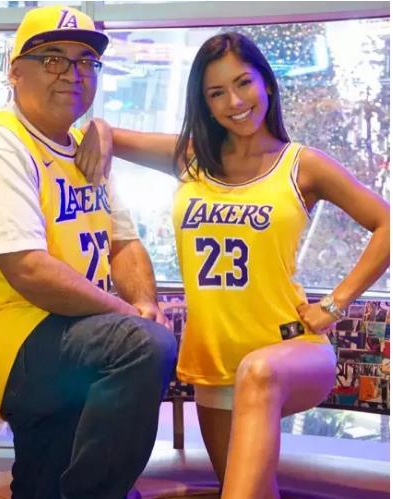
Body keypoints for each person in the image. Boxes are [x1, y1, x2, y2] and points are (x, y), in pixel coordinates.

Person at [76, 32, 390, 499]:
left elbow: (386, 223)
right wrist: (100, 128)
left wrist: (335, 304)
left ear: (267, 84)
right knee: (246, 490)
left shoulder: (301, 165)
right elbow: (107, 134)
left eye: (243, 83)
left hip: (291, 350)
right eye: (216, 92)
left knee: (258, 373)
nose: (235, 102)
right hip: (216, 363)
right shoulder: (191, 158)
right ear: (204, 103)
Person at [0, 6, 177, 499]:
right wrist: (130, 318)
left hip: (68, 331)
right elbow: (29, 271)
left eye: (85, 61)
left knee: (46, 478)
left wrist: (144, 301)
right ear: (15, 72)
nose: (72, 73)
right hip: (6, 334)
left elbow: (123, 242)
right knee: (141, 346)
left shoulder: (83, 148)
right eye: (52, 59)